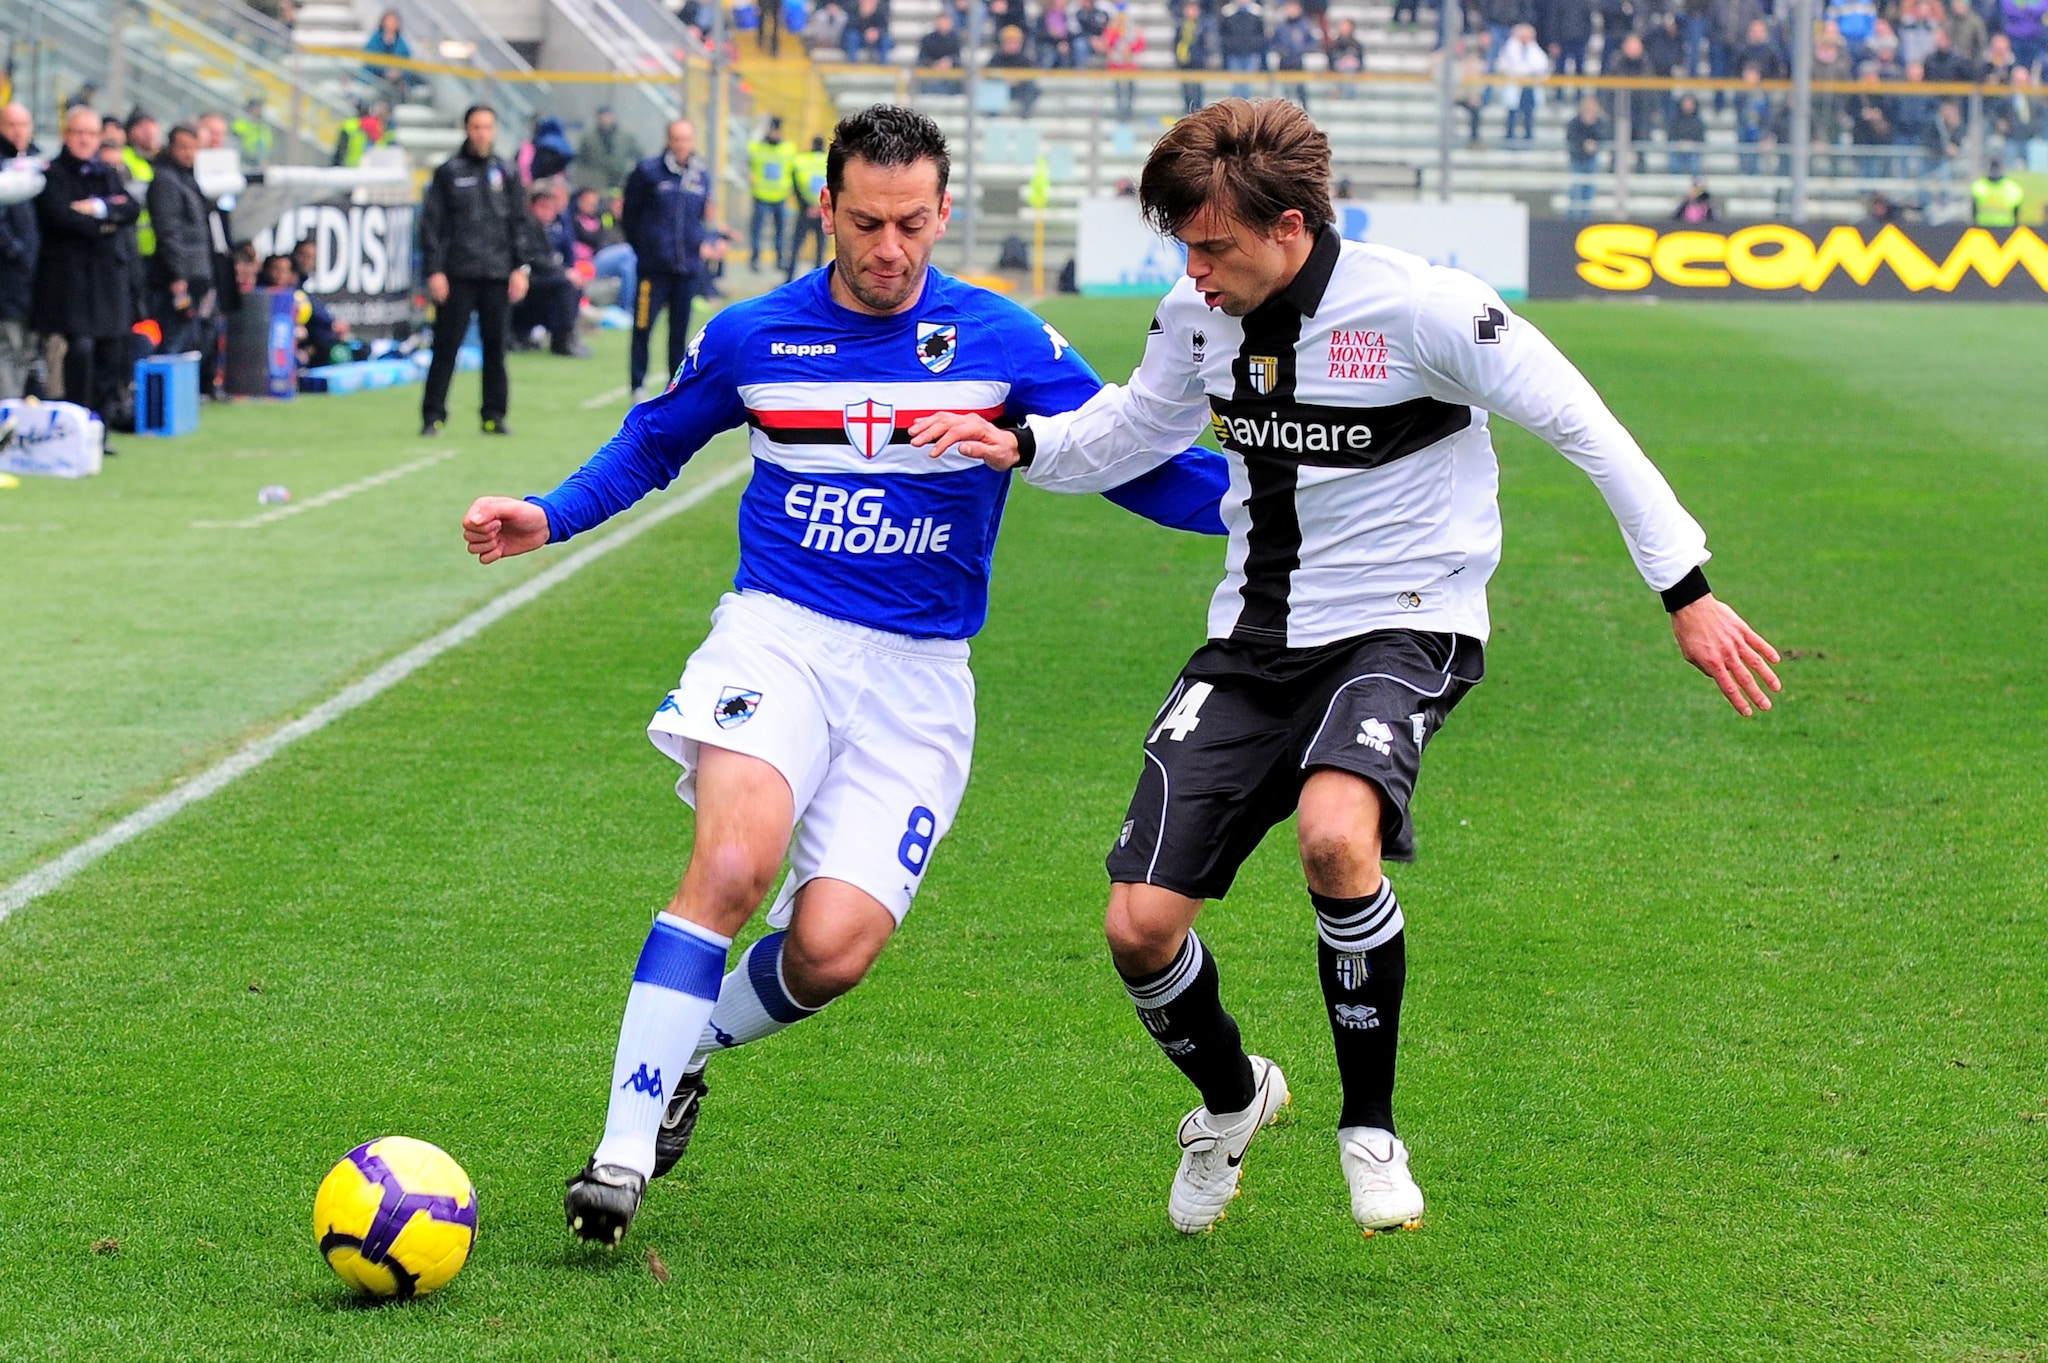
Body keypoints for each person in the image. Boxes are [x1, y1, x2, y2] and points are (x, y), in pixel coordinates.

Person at [910, 99, 1780, 1238]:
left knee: (1334, 837)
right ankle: (1232, 1100)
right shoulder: (1194, 315)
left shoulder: (1421, 309)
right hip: (1253, 637)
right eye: (1181, 244)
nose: (1193, 268)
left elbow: (1586, 428)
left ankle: (1367, 1130)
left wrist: (1687, 592)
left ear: (1287, 225)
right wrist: (1020, 444)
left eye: (1213, 245)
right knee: (1137, 926)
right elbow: (1133, 431)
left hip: (1405, 622)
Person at [457, 105, 1230, 1248]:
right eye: (865, 222)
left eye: (911, 223)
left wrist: (1278, 506)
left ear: (941, 212)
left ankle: (683, 1051)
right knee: (730, 862)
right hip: (779, 637)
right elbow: (653, 442)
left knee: (831, 949)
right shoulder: (753, 335)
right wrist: (548, 514)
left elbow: (1130, 468)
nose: (888, 247)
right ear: (825, 209)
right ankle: (619, 1156)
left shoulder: (1003, 340)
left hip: (919, 679)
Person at [419, 105, 543, 437]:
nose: (481, 133)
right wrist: (434, 270)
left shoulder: (507, 172)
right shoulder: (449, 172)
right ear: (466, 129)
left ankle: (494, 415)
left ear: (495, 130)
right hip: (457, 273)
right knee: (446, 347)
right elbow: (432, 226)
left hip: (497, 274)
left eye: (487, 127)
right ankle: (433, 416)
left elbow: (519, 224)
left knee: (495, 347)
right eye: (475, 127)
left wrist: (521, 268)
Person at [33, 106, 142, 434]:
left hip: (107, 282)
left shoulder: (106, 173)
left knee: (112, 355)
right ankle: (76, 426)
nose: (84, 139)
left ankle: (101, 429)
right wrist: (105, 222)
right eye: (78, 132)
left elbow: (131, 208)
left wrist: (98, 209)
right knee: (80, 352)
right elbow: (60, 216)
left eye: (91, 134)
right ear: (67, 134)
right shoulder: (53, 173)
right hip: (71, 283)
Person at [622, 119, 715, 401]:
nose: (681, 145)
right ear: (668, 140)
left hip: (686, 268)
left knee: (680, 333)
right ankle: (637, 384)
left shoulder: (700, 176)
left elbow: (700, 217)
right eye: (676, 139)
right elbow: (629, 216)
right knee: (643, 326)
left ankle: (674, 387)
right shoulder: (647, 172)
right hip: (653, 269)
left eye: (686, 139)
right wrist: (645, 249)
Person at [147, 124, 227, 356]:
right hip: (181, 275)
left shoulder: (186, 179)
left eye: (193, 148)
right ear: (171, 148)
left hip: (197, 272)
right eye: (182, 147)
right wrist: (178, 274)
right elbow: (168, 232)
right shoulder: (165, 181)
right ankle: (167, 391)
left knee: (195, 337)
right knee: (176, 341)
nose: (188, 153)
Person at [511, 186, 588, 357]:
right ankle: (561, 340)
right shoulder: (526, 227)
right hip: (526, 280)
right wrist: (563, 273)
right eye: (543, 207)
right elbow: (533, 259)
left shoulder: (547, 227)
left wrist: (566, 271)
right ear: (532, 206)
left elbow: (557, 256)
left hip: (540, 279)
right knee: (565, 284)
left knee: (573, 283)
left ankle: (568, 335)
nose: (548, 212)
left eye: (551, 208)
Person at [0, 103, 41, 399]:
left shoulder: (37, 163)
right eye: (11, 124)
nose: (18, 131)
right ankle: (7, 416)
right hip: (8, 277)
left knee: (26, 351)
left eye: (24, 124)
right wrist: (16, 252)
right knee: (9, 347)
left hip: (36, 276)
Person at [747, 116, 794, 273]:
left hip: (780, 196)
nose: (775, 134)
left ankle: (780, 259)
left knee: (780, 230)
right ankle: (755, 259)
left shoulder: (788, 149)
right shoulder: (757, 147)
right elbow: (747, 162)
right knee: (757, 230)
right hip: (761, 195)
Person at [785, 134, 830, 281]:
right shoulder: (830, 162)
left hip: (805, 210)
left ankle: (789, 278)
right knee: (820, 250)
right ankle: (819, 282)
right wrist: (822, 207)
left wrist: (805, 206)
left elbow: (795, 184)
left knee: (796, 247)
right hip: (823, 211)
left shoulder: (801, 160)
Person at [1497, 23, 1551, 141]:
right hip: (1515, 83)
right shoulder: (1510, 47)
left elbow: (1542, 65)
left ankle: (1528, 137)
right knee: (1512, 112)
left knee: (1529, 113)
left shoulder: (1534, 49)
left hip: (1529, 86)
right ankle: (1509, 136)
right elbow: (1506, 65)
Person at [575, 107, 644, 193]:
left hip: (621, 181)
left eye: (608, 116)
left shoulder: (626, 137)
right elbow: (580, 161)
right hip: (596, 184)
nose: (605, 120)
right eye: (603, 117)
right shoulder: (588, 138)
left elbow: (640, 156)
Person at [1104, 4, 1149, 118]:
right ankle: (1119, 112)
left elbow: (1140, 45)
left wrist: (1129, 49)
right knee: (1118, 90)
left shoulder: (1134, 29)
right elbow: (1108, 44)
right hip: (1116, 65)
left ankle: (1129, 112)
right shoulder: (1112, 29)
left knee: (1130, 90)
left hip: (1130, 66)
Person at [1565, 94, 1606, 216]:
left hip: (1591, 159)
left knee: (1588, 190)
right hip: (1576, 159)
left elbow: (1603, 137)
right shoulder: (1574, 122)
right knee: (1575, 189)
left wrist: (1592, 127)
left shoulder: (1599, 123)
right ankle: (1572, 216)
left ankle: (1586, 216)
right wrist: (1584, 144)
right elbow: (1571, 138)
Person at [1175, 1, 1214, 115]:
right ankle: (1187, 110)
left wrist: (1204, 58)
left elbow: (1206, 44)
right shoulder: (1181, 25)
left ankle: (1198, 110)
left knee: (1197, 88)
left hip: (1197, 62)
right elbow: (1177, 42)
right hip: (1184, 61)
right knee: (1186, 88)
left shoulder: (1202, 25)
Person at [917, 10, 965, 96]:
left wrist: (948, 62)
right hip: (931, 74)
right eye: (942, 22)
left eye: (946, 22)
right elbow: (922, 58)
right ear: (937, 22)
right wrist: (934, 64)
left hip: (950, 74)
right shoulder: (927, 39)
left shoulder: (956, 39)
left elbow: (957, 57)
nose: (944, 24)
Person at [1971, 157, 2025, 225]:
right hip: (1984, 227)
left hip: (2006, 228)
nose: (1994, 171)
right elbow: (1974, 209)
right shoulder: (1979, 186)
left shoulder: (2012, 188)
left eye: (1996, 168)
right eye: (1992, 168)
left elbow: (2016, 212)